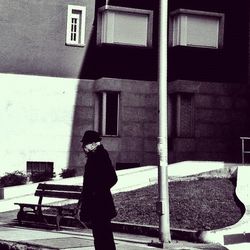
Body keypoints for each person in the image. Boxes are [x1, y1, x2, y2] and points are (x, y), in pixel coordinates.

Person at [79, 130, 117, 250]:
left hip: (101, 203)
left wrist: (97, 192)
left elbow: (112, 178)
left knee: (103, 235)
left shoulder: (100, 156)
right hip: (97, 204)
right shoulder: (94, 156)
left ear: (93, 144)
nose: (83, 146)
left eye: (85, 143)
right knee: (100, 235)